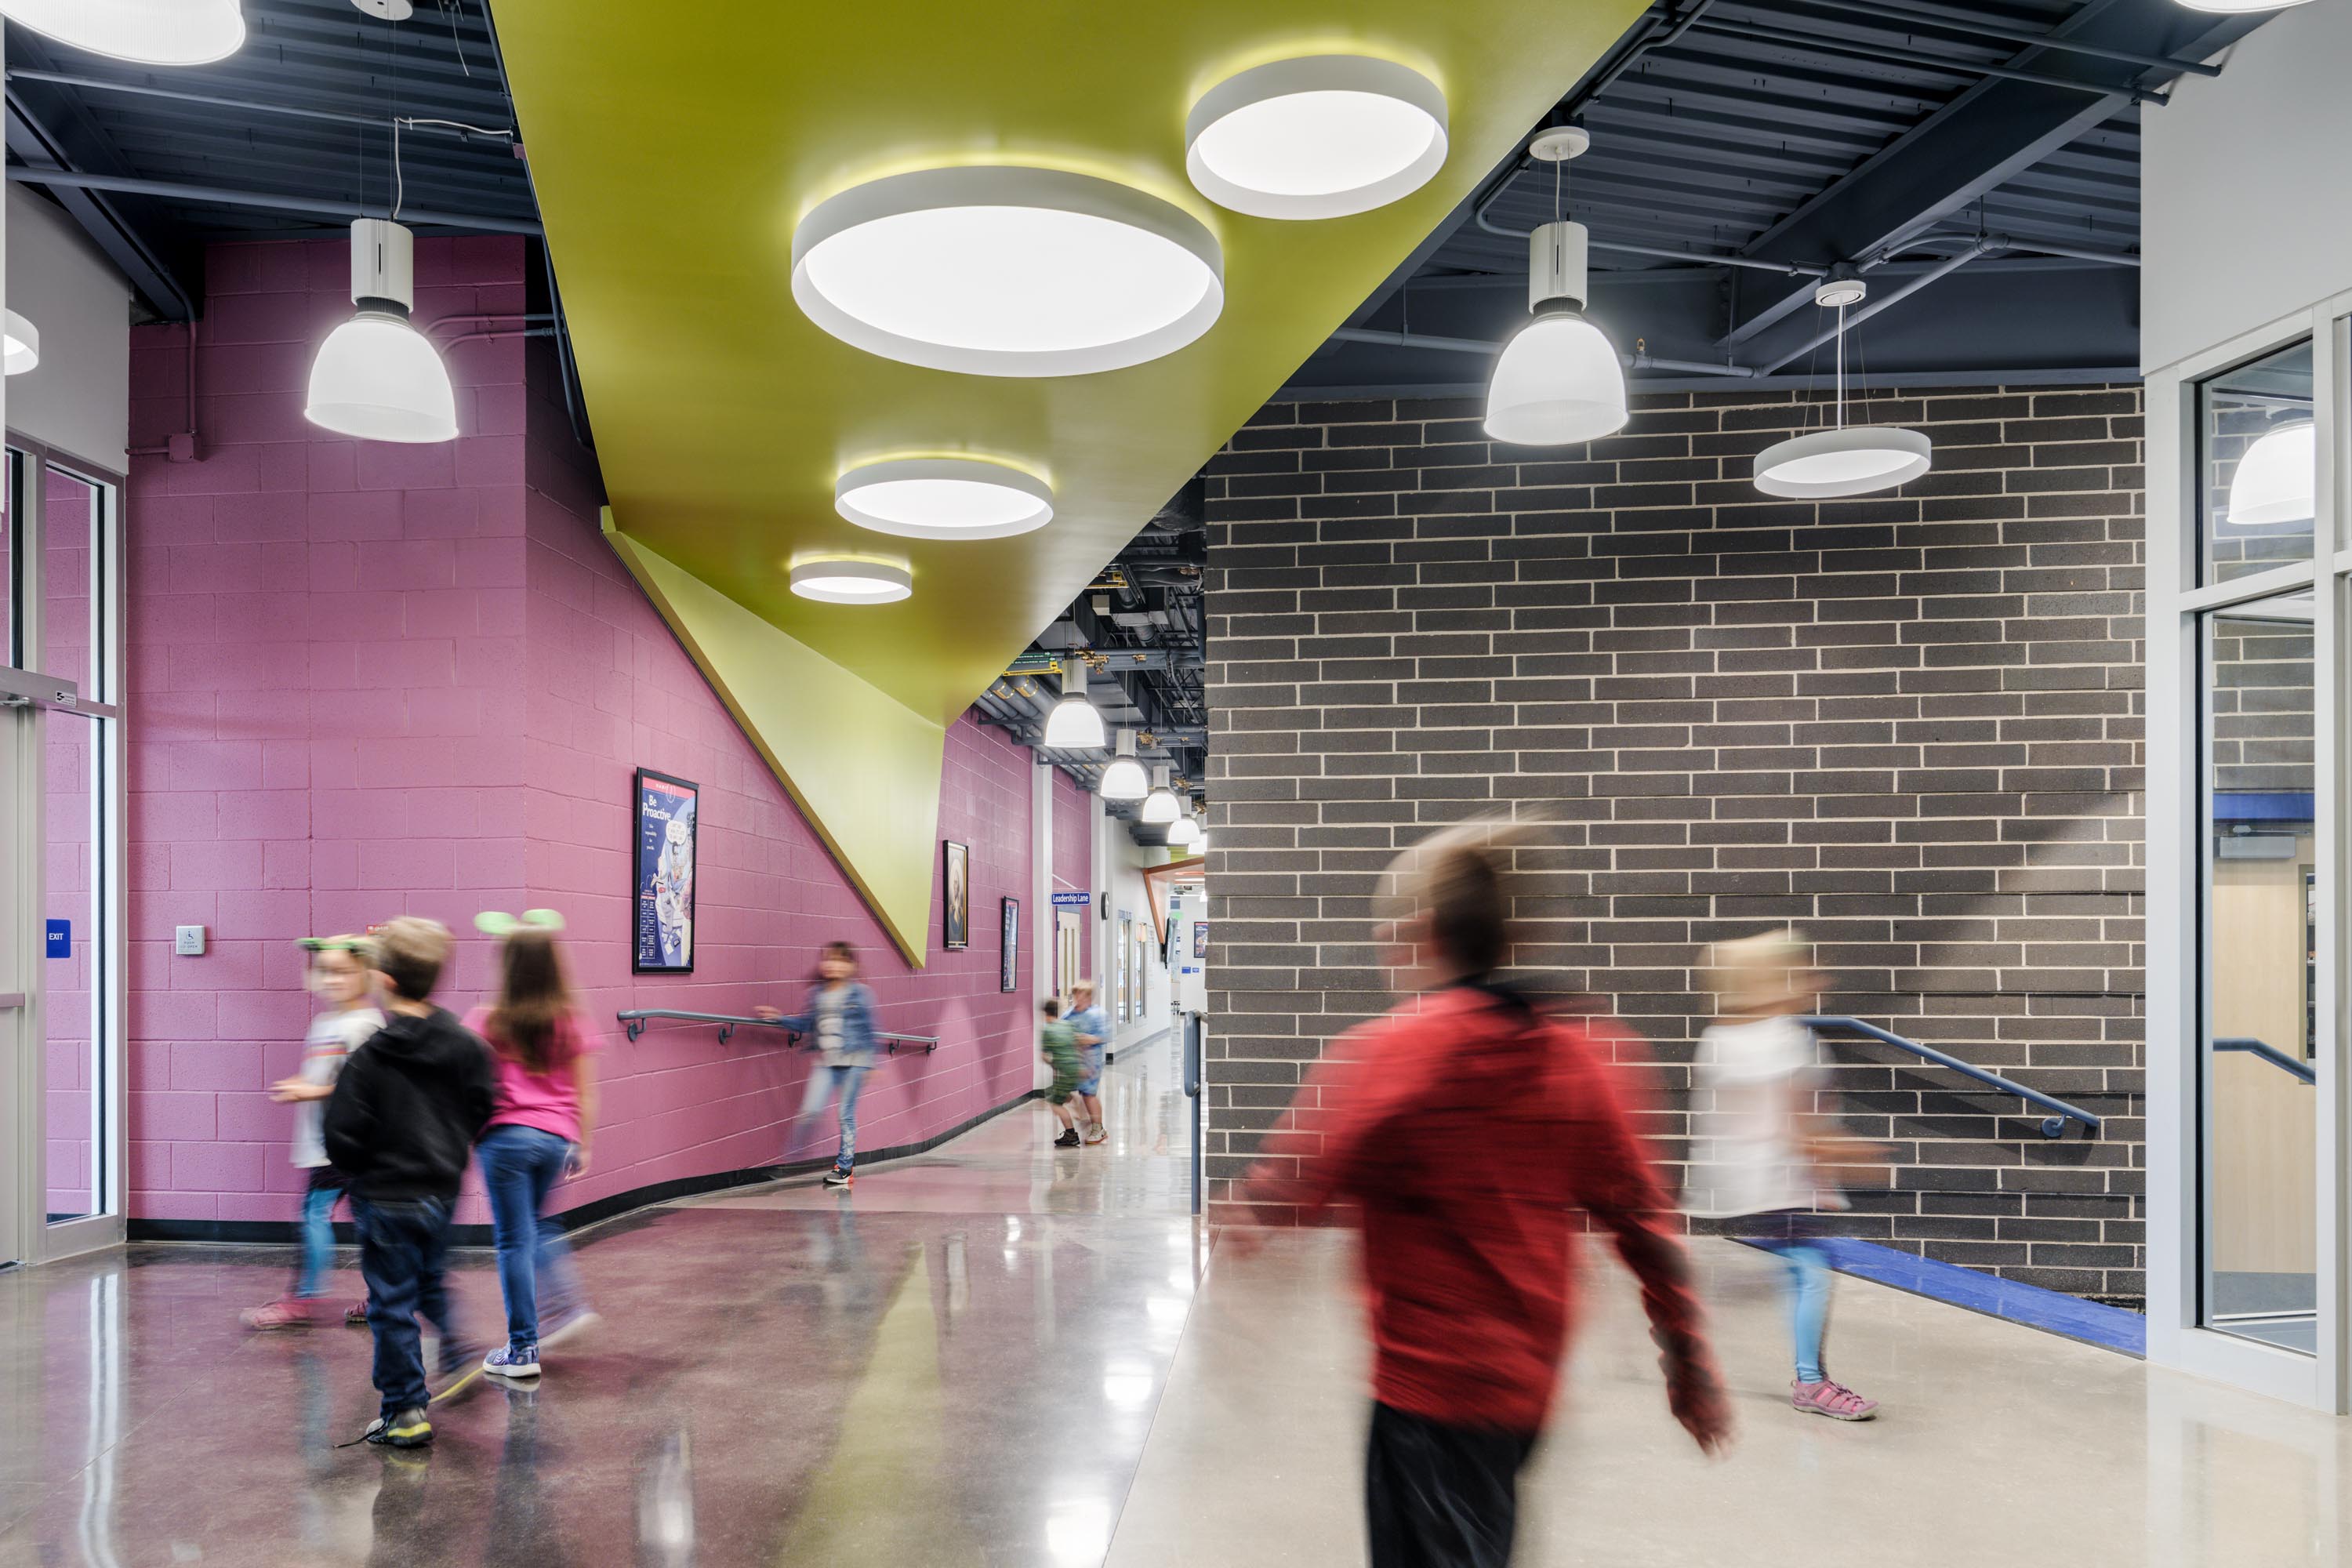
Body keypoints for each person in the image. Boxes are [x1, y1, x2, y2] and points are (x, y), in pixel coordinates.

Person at [1230, 816, 1730, 1568]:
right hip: (1523, 1392)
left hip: (1424, 1394)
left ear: (1422, 932)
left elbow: (1299, 1177)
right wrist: (1687, 1364)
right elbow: (1646, 1228)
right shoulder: (1585, 1055)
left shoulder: (1393, 1051)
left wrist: (1248, 1213)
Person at [1686, 927, 1879, 1422]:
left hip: (1742, 1184)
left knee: (1796, 1269)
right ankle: (1811, 1384)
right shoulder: (1791, 1040)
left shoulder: (1718, 1039)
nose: (1819, 980)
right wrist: (1853, 1155)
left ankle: (1688, 1319)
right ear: (1774, 982)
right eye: (1804, 972)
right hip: (1781, 1183)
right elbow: (1803, 1128)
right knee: (1812, 1271)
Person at [322, 916, 497, 1449]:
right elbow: (483, 1107)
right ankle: (459, 1350)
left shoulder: (368, 1058)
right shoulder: (468, 1047)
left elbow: (340, 1135)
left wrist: (358, 1171)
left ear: (386, 982)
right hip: (440, 1192)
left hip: (382, 1198)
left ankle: (405, 1410)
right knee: (428, 1278)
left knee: (391, 1303)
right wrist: (448, 1149)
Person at [464, 910, 601, 1382]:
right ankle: (567, 1305)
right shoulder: (570, 1022)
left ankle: (523, 1349)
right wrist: (582, 1142)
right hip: (555, 1140)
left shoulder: (487, 1020)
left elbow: (466, 1083)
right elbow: (586, 1092)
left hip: (504, 1142)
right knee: (539, 1227)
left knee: (512, 1242)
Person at [241, 935, 384, 1330]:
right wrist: (308, 1087)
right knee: (363, 1225)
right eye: (326, 972)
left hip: (346, 1145)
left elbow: (364, 1087)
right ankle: (381, 1299)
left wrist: (312, 1090)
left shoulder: (365, 1024)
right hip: (326, 1141)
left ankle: (302, 1299)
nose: (333, 980)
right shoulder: (327, 1023)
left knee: (314, 1216)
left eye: (343, 972)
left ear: (365, 975)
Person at [755, 940, 880, 1188]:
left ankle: (845, 1168)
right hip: (827, 1062)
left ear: (850, 966)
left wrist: (872, 1066)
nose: (832, 965)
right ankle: (797, 1159)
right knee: (810, 1110)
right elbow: (807, 1024)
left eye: (840, 960)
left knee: (845, 1115)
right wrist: (780, 1019)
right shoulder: (817, 995)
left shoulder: (861, 994)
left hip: (855, 1061)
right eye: (828, 959)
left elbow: (870, 1031)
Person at [1065, 979, 1110, 1145]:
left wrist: (1088, 1039)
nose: (1079, 999)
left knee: (1089, 1094)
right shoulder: (1069, 1015)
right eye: (1076, 995)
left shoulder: (1098, 1014)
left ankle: (1098, 1129)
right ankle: (1084, 1116)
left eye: (1083, 996)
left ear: (1089, 997)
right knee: (1071, 1092)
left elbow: (1105, 1035)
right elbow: (1063, 1032)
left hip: (1091, 1061)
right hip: (1073, 1060)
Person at [1039, 997, 1084, 1149]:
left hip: (1063, 1070)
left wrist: (1053, 1064)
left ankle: (1071, 1134)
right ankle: (1075, 1100)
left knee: (1055, 1104)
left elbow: (1044, 1056)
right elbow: (1078, 1045)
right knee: (1061, 1093)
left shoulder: (1048, 1029)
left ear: (1045, 1013)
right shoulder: (1067, 1025)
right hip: (1074, 1068)